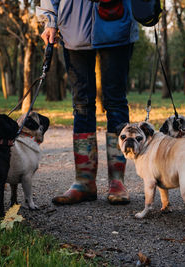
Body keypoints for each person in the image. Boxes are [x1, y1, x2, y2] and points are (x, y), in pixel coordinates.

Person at [37, 0, 138, 205]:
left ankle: (117, 182)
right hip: (73, 27)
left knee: (116, 101)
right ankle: (84, 182)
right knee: (81, 104)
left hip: (117, 21)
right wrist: (50, 20)